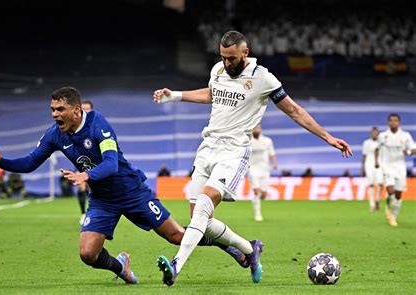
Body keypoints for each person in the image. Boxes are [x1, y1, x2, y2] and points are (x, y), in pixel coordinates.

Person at [0, 86, 249, 285]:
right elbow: (31, 162)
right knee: (87, 254)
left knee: (176, 236)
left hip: (131, 191)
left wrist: (86, 177)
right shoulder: (55, 135)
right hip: (103, 200)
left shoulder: (98, 124)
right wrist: (0, 162)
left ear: (76, 110)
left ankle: (232, 247)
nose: (55, 115)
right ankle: (121, 266)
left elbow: (111, 163)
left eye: (60, 109)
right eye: (52, 110)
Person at [152, 30, 352, 286]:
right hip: (207, 148)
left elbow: (294, 110)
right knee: (200, 220)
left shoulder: (263, 78)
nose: (226, 63)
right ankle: (249, 249)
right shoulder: (218, 70)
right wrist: (176, 95)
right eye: (223, 57)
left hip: (234, 152)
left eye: (231, 58)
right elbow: (213, 94)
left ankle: (176, 265)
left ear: (245, 53)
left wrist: (327, 137)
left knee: (204, 204)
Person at [375, 114, 415, 227]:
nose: (393, 123)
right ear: (388, 122)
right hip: (387, 166)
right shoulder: (383, 135)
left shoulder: (405, 135)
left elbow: (414, 149)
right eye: (391, 121)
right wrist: (377, 161)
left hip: (400, 167)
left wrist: (407, 152)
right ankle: (388, 206)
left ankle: (393, 216)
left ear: (399, 122)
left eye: (395, 121)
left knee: (398, 194)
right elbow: (377, 148)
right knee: (391, 190)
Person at [247, 125, 277, 221]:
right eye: (254, 128)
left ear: (261, 129)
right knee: (256, 192)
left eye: (258, 128)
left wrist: (274, 163)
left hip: (264, 170)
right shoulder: (248, 141)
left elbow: (271, 153)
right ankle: (258, 214)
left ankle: (255, 201)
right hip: (252, 169)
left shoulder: (267, 141)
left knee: (263, 194)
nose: (256, 130)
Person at [77, 99, 94, 224]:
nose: (85, 111)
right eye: (83, 109)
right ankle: (83, 213)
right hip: (81, 163)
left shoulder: (96, 125)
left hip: (96, 164)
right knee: (81, 187)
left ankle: (92, 213)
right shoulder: (76, 127)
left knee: (93, 188)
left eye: (87, 109)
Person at [361, 127, 384, 212]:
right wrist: (362, 168)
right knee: (370, 184)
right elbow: (364, 156)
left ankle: (377, 199)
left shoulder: (381, 143)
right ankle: (372, 204)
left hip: (380, 164)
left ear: (378, 134)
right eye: (373, 133)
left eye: (376, 133)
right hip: (369, 164)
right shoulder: (366, 143)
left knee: (381, 183)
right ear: (371, 134)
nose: (374, 134)